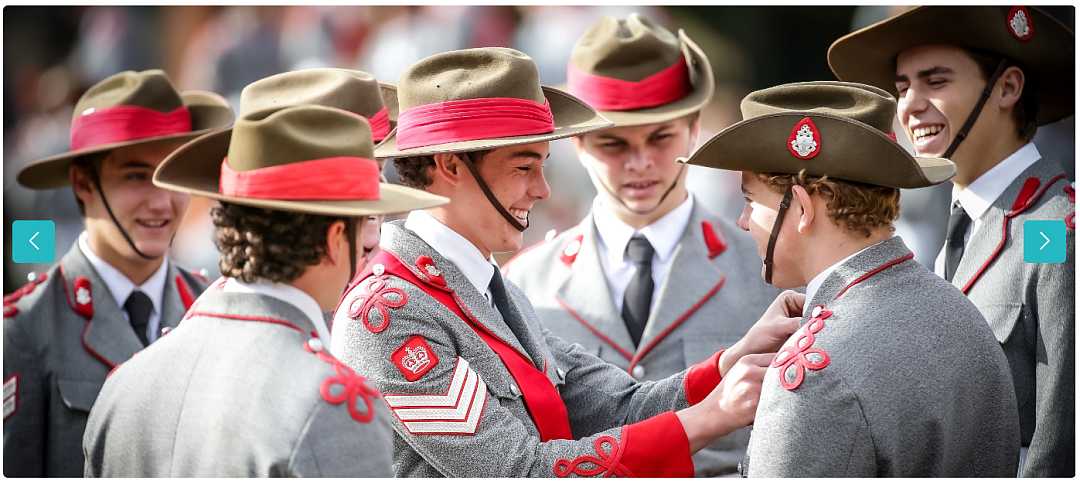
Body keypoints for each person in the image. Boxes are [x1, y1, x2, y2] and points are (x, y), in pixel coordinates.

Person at [329, 46, 803, 478]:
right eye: (522, 167)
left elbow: (620, 406)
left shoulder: (490, 289)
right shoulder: (387, 313)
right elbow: (519, 471)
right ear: (451, 166)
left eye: (543, 165)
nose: (543, 189)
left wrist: (731, 363)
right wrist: (711, 415)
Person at [82, 96, 448, 476]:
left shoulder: (124, 383)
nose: (371, 241)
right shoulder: (333, 405)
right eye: (363, 222)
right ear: (335, 237)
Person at [681, 81, 1020, 477]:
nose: (741, 221)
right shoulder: (962, 313)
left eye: (750, 201)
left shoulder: (812, 373)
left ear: (803, 209)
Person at [501, 14, 779, 476]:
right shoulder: (525, 283)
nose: (640, 162)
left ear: (694, 127)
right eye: (613, 144)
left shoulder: (767, 269)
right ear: (579, 145)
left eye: (660, 137)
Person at [828, 7, 1074, 476]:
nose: (910, 105)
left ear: (1007, 88)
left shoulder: (1054, 232)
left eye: (935, 82)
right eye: (902, 88)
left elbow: (1061, 447)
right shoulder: (965, 226)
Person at [3, 70, 233, 477]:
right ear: (83, 184)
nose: (162, 202)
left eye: (171, 175)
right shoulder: (25, 330)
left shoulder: (215, 308)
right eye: (136, 176)